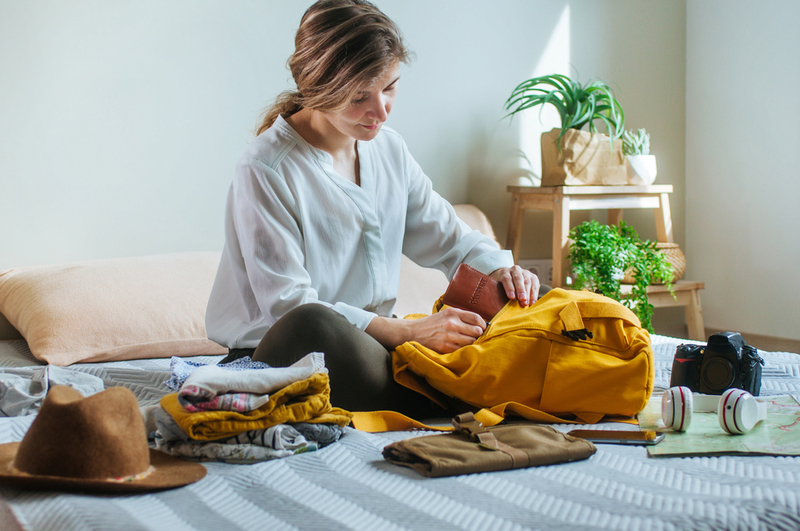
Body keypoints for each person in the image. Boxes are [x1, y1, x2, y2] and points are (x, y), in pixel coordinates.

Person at [205, 0, 541, 416]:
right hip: (288, 347)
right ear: (316, 87)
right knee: (313, 322)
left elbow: (451, 240)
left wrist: (503, 272)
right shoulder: (265, 167)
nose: (381, 109)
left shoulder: (389, 151)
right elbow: (289, 305)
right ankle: (454, 391)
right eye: (360, 95)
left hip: (374, 344)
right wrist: (407, 332)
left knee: (508, 329)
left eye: (390, 87)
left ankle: (457, 387)